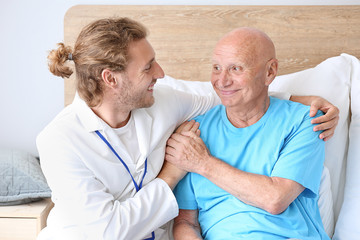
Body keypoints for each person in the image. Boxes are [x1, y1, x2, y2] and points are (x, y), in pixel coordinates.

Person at [37, 18, 337, 240]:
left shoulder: (164, 102)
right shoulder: (58, 141)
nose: (161, 73)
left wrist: (300, 100)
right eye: (148, 67)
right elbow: (110, 231)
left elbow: (224, 95)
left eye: (235, 68)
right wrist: (171, 174)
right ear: (111, 79)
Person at [167, 27, 331, 239]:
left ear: (270, 72)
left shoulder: (304, 121)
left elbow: (275, 199)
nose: (222, 81)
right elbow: (185, 222)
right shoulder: (194, 132)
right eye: (217, 67)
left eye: (236, 68)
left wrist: (203, 163)